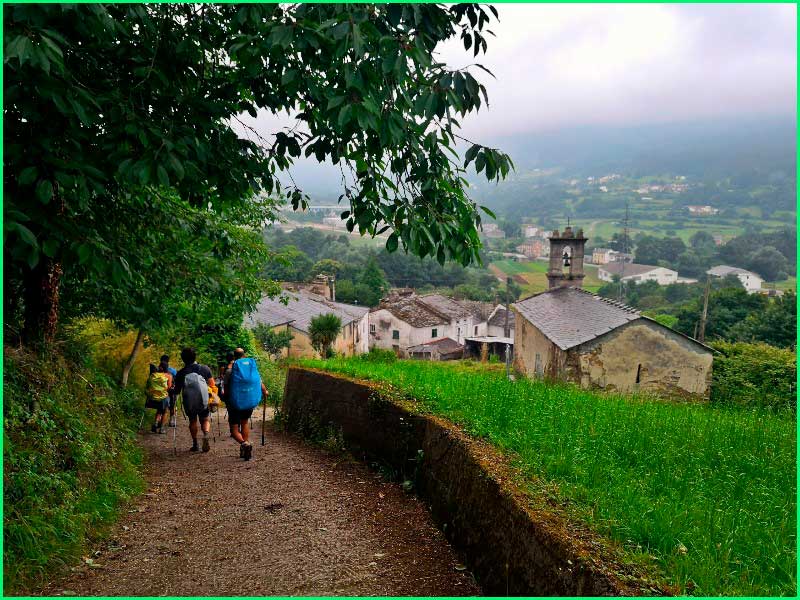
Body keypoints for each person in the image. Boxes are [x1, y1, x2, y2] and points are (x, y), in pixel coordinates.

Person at [224, 347, 268, 461]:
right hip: (248, 401)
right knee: (244, 423)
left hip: (235, 402)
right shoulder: (251, 369)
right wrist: (265, 391)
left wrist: (225, 398)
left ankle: (245, 444)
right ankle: (245, 447)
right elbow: (259, 382)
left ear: (234, 356)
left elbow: (226, 390)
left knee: (234, 430)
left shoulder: (230, 371)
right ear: (244, 355)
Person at [173, 347, 216, 453]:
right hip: (203, 400)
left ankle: (195, 444)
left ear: (183, 359)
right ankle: (205, 434)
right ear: (195, 356)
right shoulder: (205, 369)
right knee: (205, 419)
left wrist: (170, 390)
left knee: (193, 421)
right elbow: (212, 385)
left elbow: (177, 391)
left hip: (189, 401)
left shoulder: (181, 373)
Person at [145, 363, 173, 434]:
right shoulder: (168, 376)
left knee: (160, 408)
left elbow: (147, 387)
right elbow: (169, 388)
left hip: (151, 400)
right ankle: (162, 428)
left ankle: (156, 423)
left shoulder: (152, 375)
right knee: (165, 410)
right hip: (162, 399)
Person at [161, 354, 178, 427]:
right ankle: (171, 420)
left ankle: (158, 419)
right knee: (172, 403)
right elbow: (176, 380)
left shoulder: (157, 370)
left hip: (159, 392)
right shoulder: (173, 370)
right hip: (169, 391)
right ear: (168, 361)